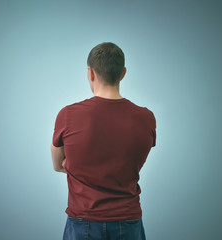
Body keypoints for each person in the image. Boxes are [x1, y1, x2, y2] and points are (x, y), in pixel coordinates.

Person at [51, 42, 156, 240]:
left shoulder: (68, 115)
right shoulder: (146, 117)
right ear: (123, 73)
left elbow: (58, 165)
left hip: (82, 220)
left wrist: (77, 166)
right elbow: (131, 162)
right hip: (128, 220)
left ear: (90, 73)